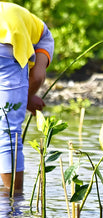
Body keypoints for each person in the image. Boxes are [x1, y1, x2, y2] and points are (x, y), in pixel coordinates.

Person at [0, 2, 54, 190]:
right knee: (8, 131)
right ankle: (11, 203)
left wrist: (24, 97)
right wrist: (26, 97)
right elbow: (38, 76)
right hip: (6, 42)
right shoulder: (44, 36)